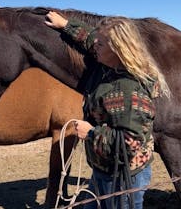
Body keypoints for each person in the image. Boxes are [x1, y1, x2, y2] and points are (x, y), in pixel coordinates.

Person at [44, 11, 170, 209]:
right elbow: (91, 38)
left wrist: (91, 133)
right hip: (106, 169)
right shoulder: (111, 62)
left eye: (101, 44)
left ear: (117, 49)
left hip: (123, 176)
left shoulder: (127, 91)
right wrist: (65, 25)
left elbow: (130, 143)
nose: (95, 46)